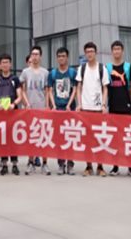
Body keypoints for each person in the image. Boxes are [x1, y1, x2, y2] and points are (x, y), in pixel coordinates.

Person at [75, 42, 110, 177]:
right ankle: (88, 166)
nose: (89, 54)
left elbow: (105, 88)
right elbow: (79, 87)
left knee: (99, 138)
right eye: (87, 52)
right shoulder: (82, 69)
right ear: (85, 54)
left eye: (92, 51)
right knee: (87, 139)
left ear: (96, 53)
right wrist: (79, 104)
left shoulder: (102, 68)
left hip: (98, 109)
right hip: (85, 109)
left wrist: (103, 104)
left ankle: (100, 166)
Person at [106, 41, 131, 177]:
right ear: (112, 51)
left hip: (126, 106)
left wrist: (127, 99)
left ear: (122, 51)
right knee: (115, 137)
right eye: (114, 49)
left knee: (129, 136)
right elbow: (106, 86)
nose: (117, 51)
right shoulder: (107, 67)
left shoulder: (128, 67)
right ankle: (115, 167)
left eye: (119, 49)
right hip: (113, 106)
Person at [0, 53, 23, 176]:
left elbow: (20, 96)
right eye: (2, 62)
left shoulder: (15, 79)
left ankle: (14, 164)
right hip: (0, 114)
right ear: (0, 65)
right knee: (2, 139)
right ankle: (4, 164)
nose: (4, 64)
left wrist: (14, 104)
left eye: (6, 62)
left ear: (10, 64)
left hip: (13, 113)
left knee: (13, 139)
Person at [47, 47, 78, 175]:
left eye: (63, 56)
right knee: (59, 138)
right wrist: (53, 105)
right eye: (59, 56)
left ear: (68, 58)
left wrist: (69, 104)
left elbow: (75, 90)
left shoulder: (72, 72)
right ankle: (61, 164)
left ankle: (70, 164)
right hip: (58, 109)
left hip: (70, 109)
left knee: (70, 136)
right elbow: (50, 90)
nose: (61, 58)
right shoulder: (53, 73)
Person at [21, 46, 50, 175]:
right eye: (33, 54)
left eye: (37, 54)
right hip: (29, 109)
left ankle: (45, 164)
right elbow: (22, 90)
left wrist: (47, 106)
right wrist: (26, 103)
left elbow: (47, 91)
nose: (35, 56)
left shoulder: (45, 73)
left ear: (41, 56)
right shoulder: (25, 72)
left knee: (43, 137)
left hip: (42, 109)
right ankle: (31, 163)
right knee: (31, 137)